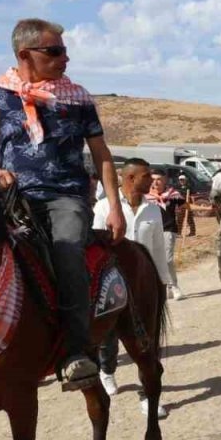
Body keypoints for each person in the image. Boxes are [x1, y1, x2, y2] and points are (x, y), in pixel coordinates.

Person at [0, 17, 126, 391]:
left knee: (68, 251)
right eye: (55, 51)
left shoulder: (79, 96)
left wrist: (115, 205)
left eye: (65, 51)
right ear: (25, 54)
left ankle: (76, 351)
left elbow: (101, 154)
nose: (65, 58)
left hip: (65, 197)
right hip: (10, 198)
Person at [93, 159, 172, 417]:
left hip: (143, 286)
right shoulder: (104, 208)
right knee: (108, 338)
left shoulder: (153, 210)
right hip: (112, 285)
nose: (153, 180)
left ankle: (147, 395)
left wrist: (162, 283)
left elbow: (158, 248)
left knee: (145, 343)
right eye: (147, 175)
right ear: (130, 179)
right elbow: (95, 252)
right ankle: (107, 369)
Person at [147, 170, 186, 301]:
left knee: (168, 259)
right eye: (153, 179)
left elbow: (186, 206)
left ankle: (174, 286)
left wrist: (208, 209)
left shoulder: (173, 194)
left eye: (158, 179)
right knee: (155, 260)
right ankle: (165, 287)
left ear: (164, 180)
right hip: (151, 230)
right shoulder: (145, 196)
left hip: (168, 229)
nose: (155, 182)